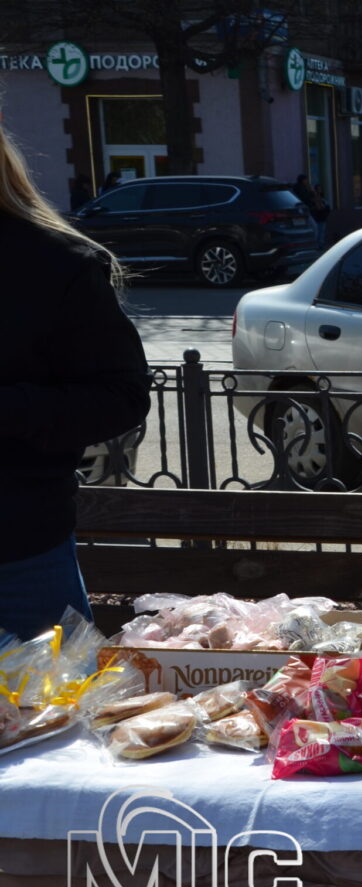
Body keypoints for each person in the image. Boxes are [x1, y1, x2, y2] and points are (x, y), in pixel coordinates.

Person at [0, 124, 150, 637]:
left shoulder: (54, 263)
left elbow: (122, 395)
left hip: (19, 554)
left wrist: (11, 408)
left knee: (48, 694)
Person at [292, 174, 331, 248]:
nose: (307, 181)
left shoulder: (303, 189)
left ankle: (315, 244)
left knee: (316, 228)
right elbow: (308, 199)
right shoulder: (302, 189)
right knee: (314, 228)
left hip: (307, 211)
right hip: (306, 211)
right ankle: (314, 244)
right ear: (302, 180)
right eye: (305, 180)